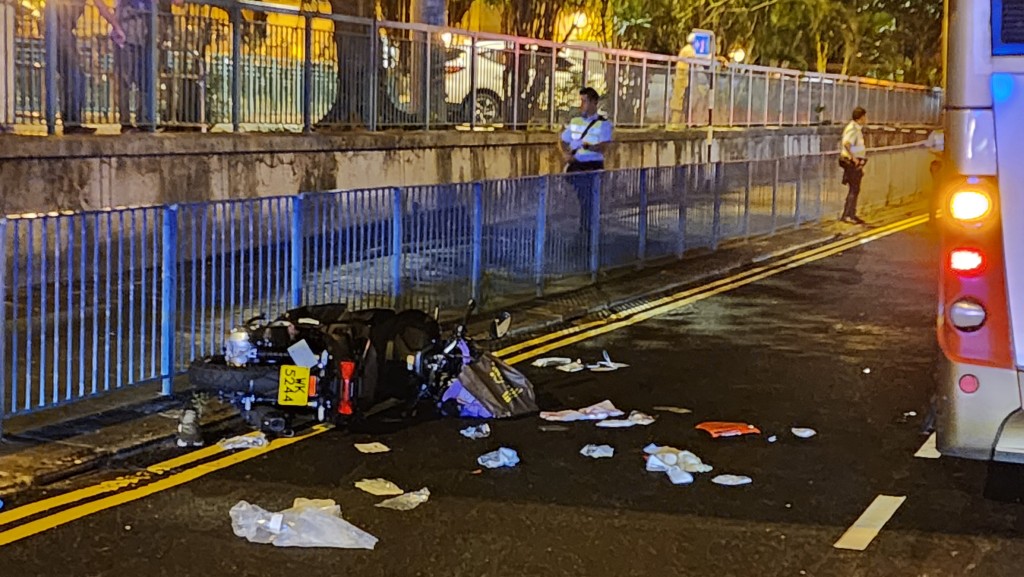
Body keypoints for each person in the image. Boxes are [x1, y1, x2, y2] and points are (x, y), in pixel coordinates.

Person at [560, 87, 614, 238]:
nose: (581, 105)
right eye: (581, 101)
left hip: (592, 166)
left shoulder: (603, 124)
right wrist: (566, 153)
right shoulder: (575, 122)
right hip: (576, 165)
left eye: (584, 101)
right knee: (583, 198)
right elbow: (563, 140)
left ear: (594, 103)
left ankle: (587, 228)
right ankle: (585, 227)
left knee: (588, 199)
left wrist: (587, 146)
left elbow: (603, 147)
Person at [839, 106, 868, 224]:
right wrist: (854, 159)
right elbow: (847, 144)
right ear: (860, 117)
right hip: (850, 162)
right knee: (854, 189)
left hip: (855, 162)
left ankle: (851, 214)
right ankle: (847, 215)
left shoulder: (857, 129)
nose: (866, 119)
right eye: (865, 117)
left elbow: (856, 147)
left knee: (855, 189)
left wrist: (860, 158)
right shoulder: (852, 129)